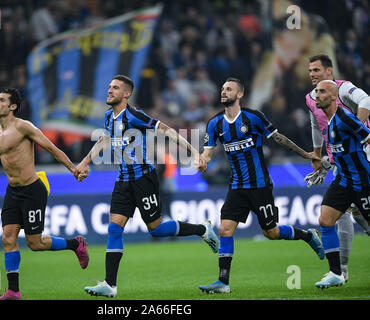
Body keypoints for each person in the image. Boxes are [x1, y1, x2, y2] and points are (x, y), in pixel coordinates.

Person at [75, 75, 219, 298]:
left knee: (157, 230)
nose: (110, 90)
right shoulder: (108, 117)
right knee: (114, 229)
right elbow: (105, 139)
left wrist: (196, 153)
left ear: (126, 94)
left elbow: (168, 131)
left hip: (144, 179)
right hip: (123, 180)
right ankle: (110, 285)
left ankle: (202, 229)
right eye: (109, 86)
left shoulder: (135, 116)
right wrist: (85, 161)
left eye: (115, 88)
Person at [0, 88, 89, 300]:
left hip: (32, 190)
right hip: (12, 191)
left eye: (2, 100)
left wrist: (74, 168)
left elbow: (50, 148)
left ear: (12, 106)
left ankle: (75, 244)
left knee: (35, 244)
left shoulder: (24, 127)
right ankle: (13, 291)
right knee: (8, 238)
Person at [197, 77, 324, 294]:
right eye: (222, 89)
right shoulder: (214, 123)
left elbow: (279, 139)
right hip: (236, 186)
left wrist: (305, 154)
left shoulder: (253, 117)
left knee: (271, 232)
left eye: (229, 89)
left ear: (239, 95)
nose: (224, 92)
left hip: (259, 185)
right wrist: (203, 160)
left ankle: (308, 235)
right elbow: (208, 151)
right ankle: (223, 282)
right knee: (225, 229)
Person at [304, 54, 370, 281]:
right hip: (341, 166)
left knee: (358, 214)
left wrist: (357, 132)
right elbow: (315, 125)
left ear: (329, 71)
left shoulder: (344, 90)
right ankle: (339, 270)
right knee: (333, 217)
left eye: (316, 70)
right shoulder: (312, 100)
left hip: (362, 163)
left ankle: (340, 269)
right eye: (310, 70)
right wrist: (318, 157)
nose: (312, 74)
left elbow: (367, 102)